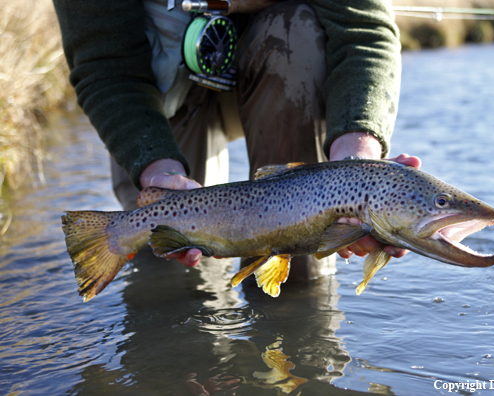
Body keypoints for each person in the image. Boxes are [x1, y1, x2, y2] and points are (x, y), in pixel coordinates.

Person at [52, 0, 421, 280]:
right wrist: (155, 165)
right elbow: (106, 67)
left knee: (299, 33)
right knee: (166, 268)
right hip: (156, 97)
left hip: (277, 69)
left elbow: (363, 33)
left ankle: (298, 305)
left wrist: (357, 156)